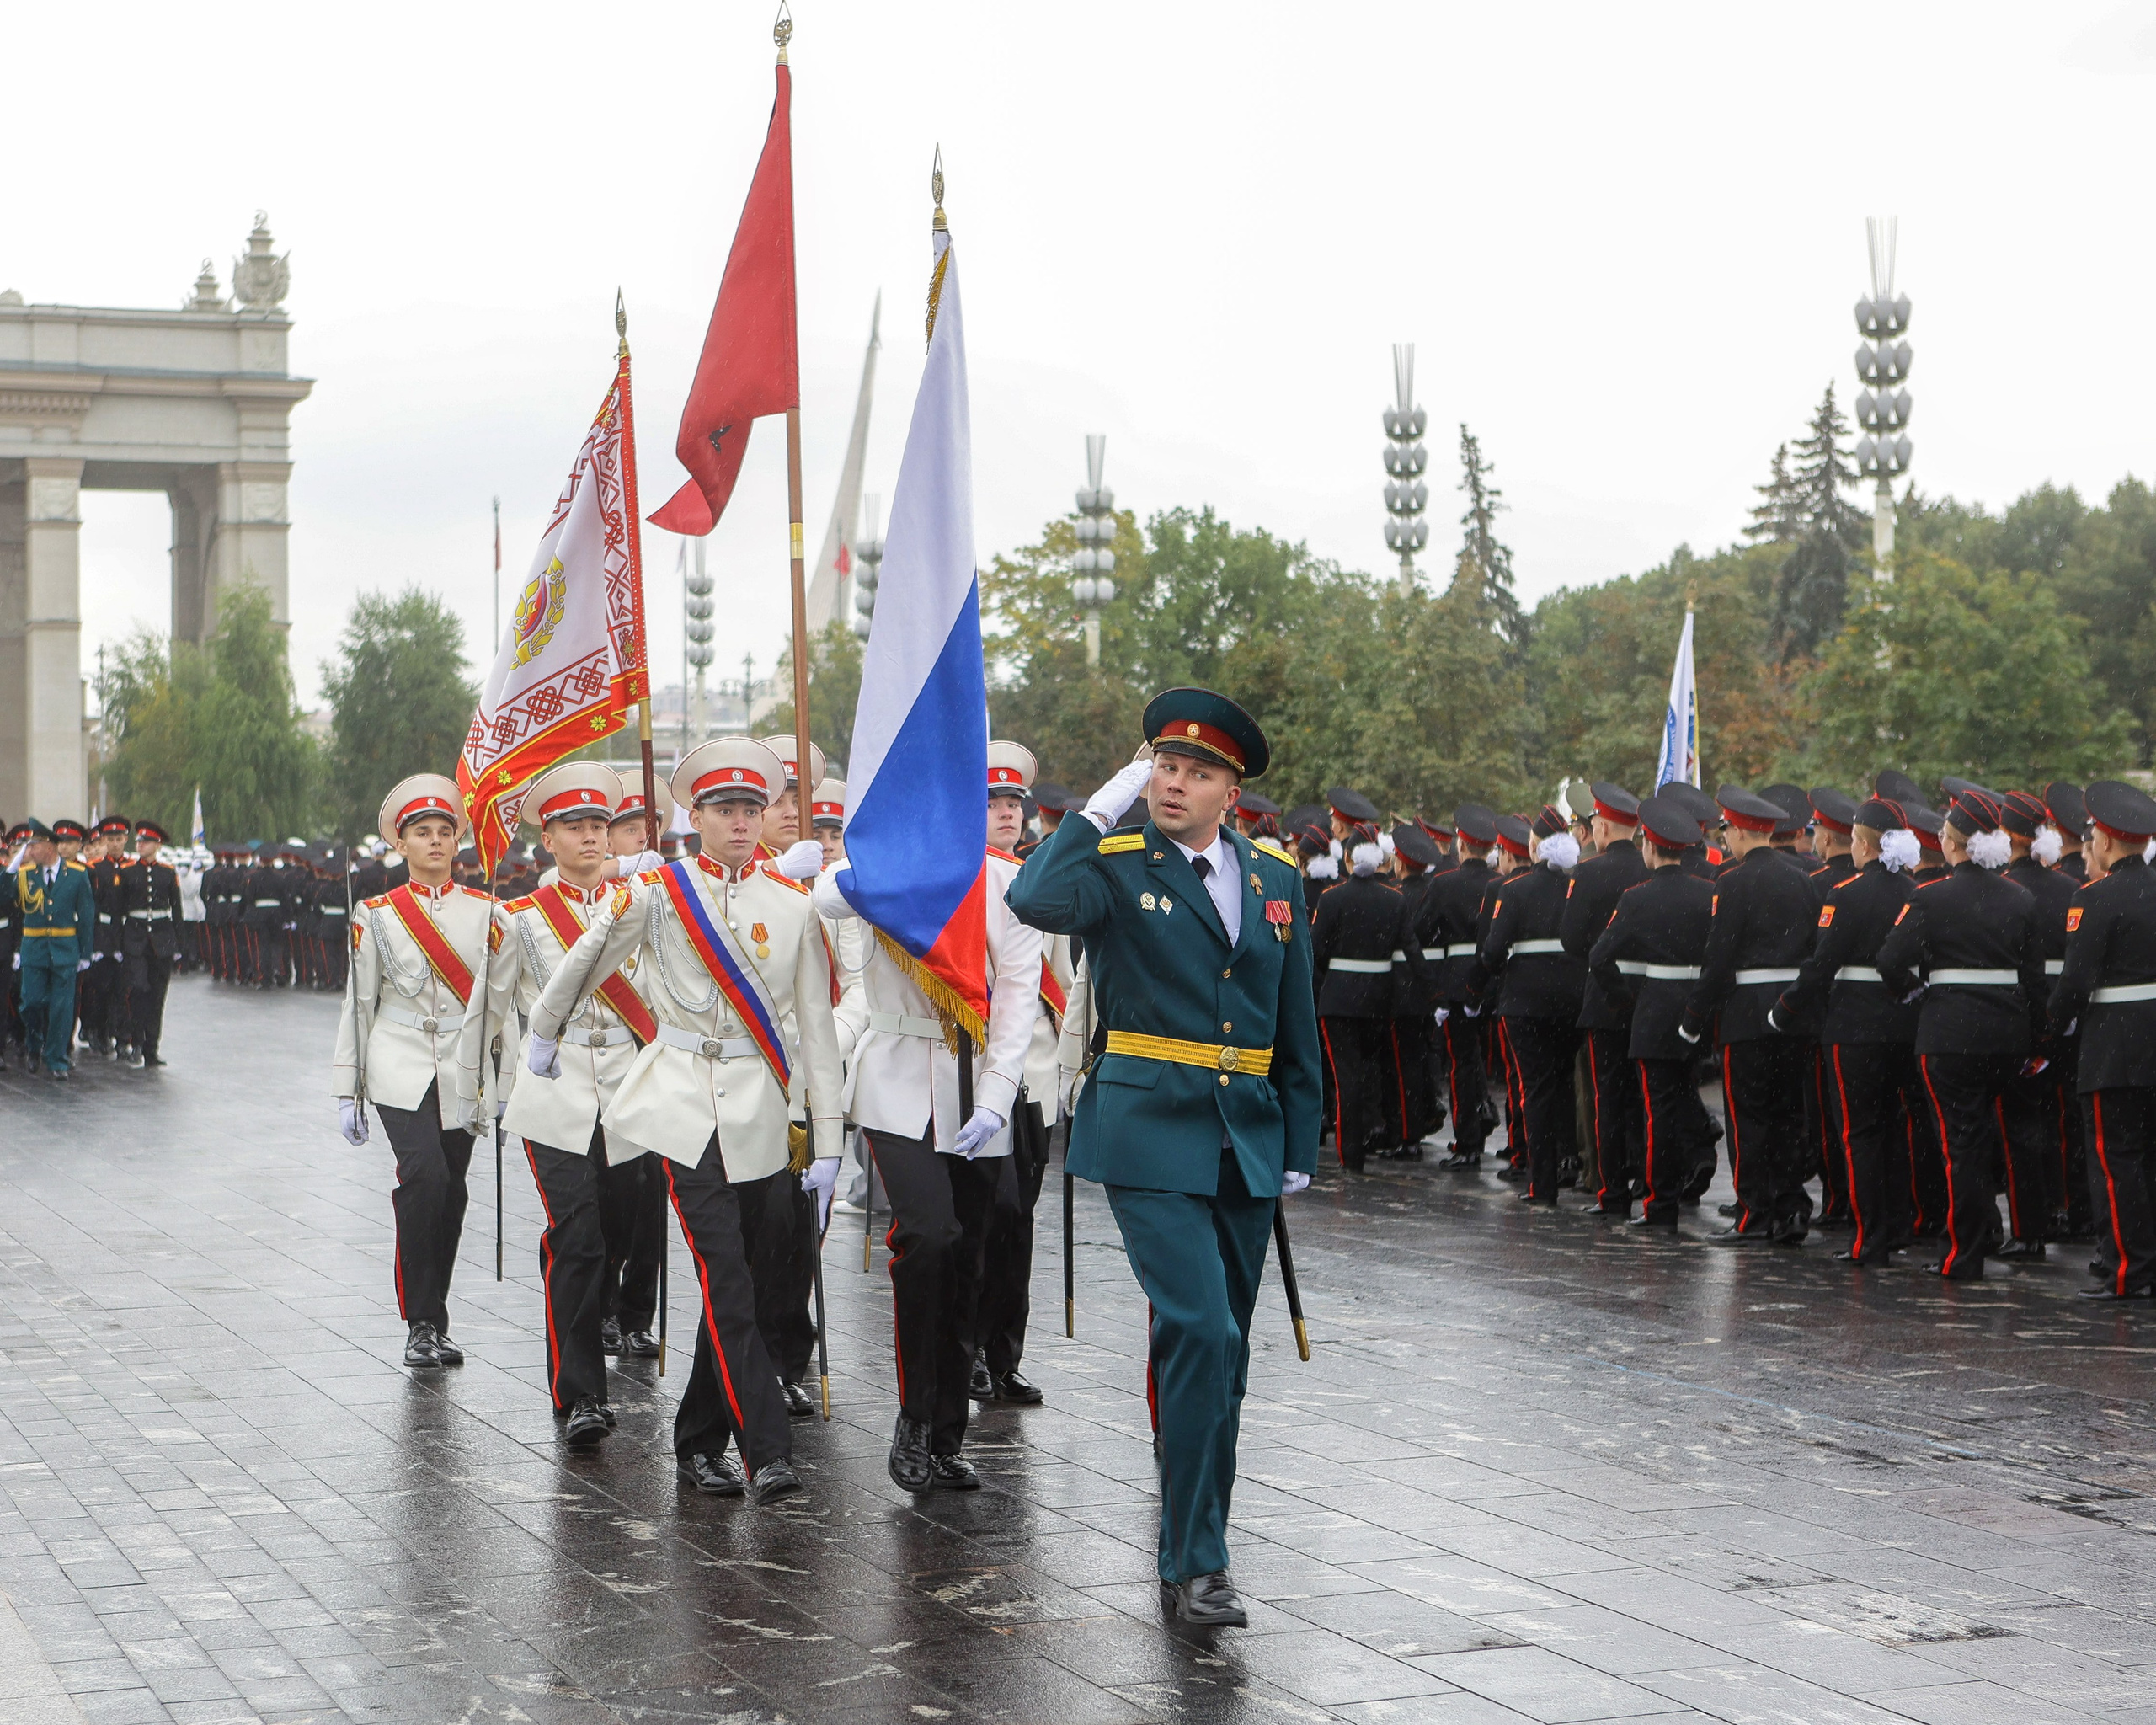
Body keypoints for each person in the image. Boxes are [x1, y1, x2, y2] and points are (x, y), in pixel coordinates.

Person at [1006, 686, 1320, 1628]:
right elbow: (1032, 898)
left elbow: (1292, 1019)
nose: (1174, 783)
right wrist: (1096, 807)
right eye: (1164, 766)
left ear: (1233, 790)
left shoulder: (1274, 877)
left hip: (1246, 1134)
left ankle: (1193, 1533)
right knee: (1204, 1328)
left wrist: (1298, 1139)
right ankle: (1197, 1560)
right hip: (1146, 1128)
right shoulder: (1111, 862)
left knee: (1222, 1358)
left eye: (1197, 772)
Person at [526, 738, 837, 1504]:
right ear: (692, 816)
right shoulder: (660, 894)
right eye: (723, 809)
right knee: (722, 1269)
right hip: (678, 1103)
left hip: (761, 1110)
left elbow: (817, 1033)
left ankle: (699, 1441)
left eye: (751, 809)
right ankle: (767, 1449)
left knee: (758, 1282)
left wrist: (826, 1139)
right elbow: (588, 955)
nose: (739, 822)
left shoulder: (793, 909)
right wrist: (544, 1029)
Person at [814, 743, 1043, 1493]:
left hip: (980, 1086)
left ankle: (947, 1432)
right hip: (895, 1082)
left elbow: (1016, 992)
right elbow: (826, 895)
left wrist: (1001, 1091)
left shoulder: (1007, 883)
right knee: (932, 1239)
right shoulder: (884, 877)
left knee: (971, 1254)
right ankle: (914, 1419)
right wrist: (894, 858)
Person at [462, 764, 653, 1448]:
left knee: (622, 1233)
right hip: (553, 1091)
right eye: (576, 826)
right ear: (548, 839)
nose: (592, 836)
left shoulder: (641, 904)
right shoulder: (518, 919)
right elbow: (488, 1009)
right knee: (578, 1236)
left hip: (629, 1090)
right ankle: (580, 1395)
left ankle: (597, 1313)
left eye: (600, 824)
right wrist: (475, 1093)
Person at [331, 777, 493, 1367]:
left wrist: (506, 1082)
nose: (434, 842)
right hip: (398, 1060)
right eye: (422, 833)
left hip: (464, 1065)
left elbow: (497, 1003)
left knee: (452, 1189)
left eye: (444, 833)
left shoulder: (486, 912)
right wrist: (347, 1088)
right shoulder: (375, 914)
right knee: (422, 1177)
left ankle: (436, 1313)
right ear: (401, 844)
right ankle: (421, 1321)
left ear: (458, 843)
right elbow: (359, 1000)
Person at [1876, 788, 2047, 1280]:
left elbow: (1890, 960)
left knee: (1961, 1146)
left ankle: (1965, 1251)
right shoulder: (2022, 898)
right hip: (2008, 1036)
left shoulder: (1930, 897)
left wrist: (1915, 991)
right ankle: (1994, 1229)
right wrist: (2038, 1041)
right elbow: (2034, 982)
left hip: (1949, 1035)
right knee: (1989, 1139)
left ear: (1953, 843)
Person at [1769, 798, 1920, 1264]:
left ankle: (1869, 1237)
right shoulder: (1915, 891)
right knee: (1896, 1129)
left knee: (1859, 1132)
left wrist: (1787, 1005)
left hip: (1855, 1026)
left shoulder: (1847, 893)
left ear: (1862, 844)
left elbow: (1822, 963)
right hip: (1905, 1021)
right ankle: (1897, 1226)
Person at [1678, 786, 1820, 1243]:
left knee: (1749, 1117)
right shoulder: (1803, 879)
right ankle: (1791, 1205)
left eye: (1728, 831)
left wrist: (1695, 1014)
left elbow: (1719, 958)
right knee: (1788, 1112)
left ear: (1739, 832)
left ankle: (1755, 1212)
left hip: (1747, 1013)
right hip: (1793, 1012)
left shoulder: (1733, 881)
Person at [973, 741, 1061, 1405]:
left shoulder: (1041, 879)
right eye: (993, 803)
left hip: (1035, 1078)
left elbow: (1069, 980)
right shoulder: (963, 881)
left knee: (1019, 1222)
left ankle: (1005, 1355)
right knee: (986, 1215)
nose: (1007, 814)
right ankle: (969, 1347)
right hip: (977, 1074)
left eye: (1013, 803)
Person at [1586, 793, 1716, 1231]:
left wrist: (1625, 1001)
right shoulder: (1709, 894)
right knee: (1680, 1101)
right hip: (1695, 1010)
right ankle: (1677, 1186)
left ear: (1649, 847)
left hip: (1655, 1011)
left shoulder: (1637, 898)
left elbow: (1600, 957)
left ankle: (1661, 1202)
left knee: (1658, 1109)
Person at [2047, 781, 2156, 1299]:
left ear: (2106, 845)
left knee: (2117, 1161)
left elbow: (2075, 982)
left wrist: (2050, 1029)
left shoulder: (2094, 897)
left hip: (2115, 1047)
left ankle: (2127, 1268)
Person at [1470, 805, 1585, 1204]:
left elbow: (1493, 951)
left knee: (1536, 1091)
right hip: (1572, 999)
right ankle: (1569, 1160)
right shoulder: (1577, 887)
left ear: (1534, 846)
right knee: (1563, 1083)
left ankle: (1544, 1182)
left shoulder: (1513, 890)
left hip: (1526, 1002)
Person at [1310, 805, 1427, 1172]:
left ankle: (1352, 1152)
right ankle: (1373, 1135)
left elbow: (1316, 951)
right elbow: (1411, 951)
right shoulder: (1396, 899)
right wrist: (1431, 991)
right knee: (1368, 1072)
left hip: (1339, 998)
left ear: (1347, 858)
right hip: (1379, 998)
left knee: (1346, 1078)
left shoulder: (1331, 898)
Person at [2000, 788, 2080, 1256]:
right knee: (2070, 1117)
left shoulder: (2005, 889)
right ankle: (2072, 1207)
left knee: (2026, 1124)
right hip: (2066, 1010)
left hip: (2020, 1011)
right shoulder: (2070, 889)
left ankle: (2033, 1220)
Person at [1561, 783, 1647, 1217]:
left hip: (1603, 996)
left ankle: (1613, 1191)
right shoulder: (1650, 870)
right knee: (1647, 1099)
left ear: (1603, 825)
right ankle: (1649, 1182)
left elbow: (1572, 940)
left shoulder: (1589, 872)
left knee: (1605, 1099)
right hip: (1650, 995)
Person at [1418, 806, 1500, 1169]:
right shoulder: (1499, 883)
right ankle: (1488, 1122)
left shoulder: (1444, 883)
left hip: (1457, 982)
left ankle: (1468, 1140)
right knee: (1489, 1061)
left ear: (1462, 845)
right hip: (1494, 980)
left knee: (1463, 1064)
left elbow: (1420, 929)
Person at [12, 820, 95, 1079]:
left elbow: (86, 913)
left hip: (64, 948)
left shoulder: (78, 874)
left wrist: (85, 952)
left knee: (62, 1006)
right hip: (34, 948)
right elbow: (12, 906)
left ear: (48, 846)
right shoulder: (25, 875)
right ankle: (34, 1043)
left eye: (33, 845)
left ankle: (57, 1058)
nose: (29, 851)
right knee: (31, 1002)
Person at [119, 820, 183, 1067]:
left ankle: (151, 1048)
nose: (140, 845)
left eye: (145, 842)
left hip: (161, 940)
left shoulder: (168, 872)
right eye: (139, 841)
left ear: (157, 845)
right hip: (135, 939)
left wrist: (180, 945)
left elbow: (176, 909)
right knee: (139, 989)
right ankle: (136, 1039)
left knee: (157, 996)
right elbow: (120, 907)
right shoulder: (127, 871)